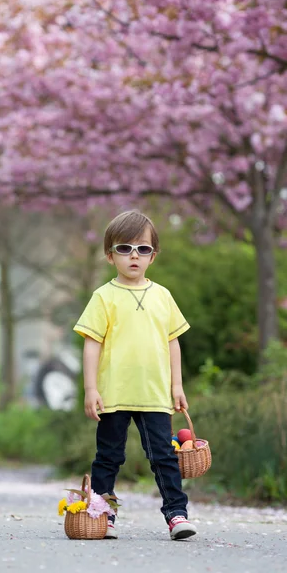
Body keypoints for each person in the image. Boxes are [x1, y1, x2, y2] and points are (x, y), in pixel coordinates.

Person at [73, 210, 197, 541]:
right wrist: (90, 389)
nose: (133, 256)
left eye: (142, 249)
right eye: (125, 248)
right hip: (113, 393)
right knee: (109, 457)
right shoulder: (104, 296)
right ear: (109, 254)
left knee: (164, 456)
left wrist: (177, 385)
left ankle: (176, 514)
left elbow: (173, 343)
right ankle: (103, 513)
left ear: (153, 256)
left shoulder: (162, 296)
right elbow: (91, 345)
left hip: (154, 394)